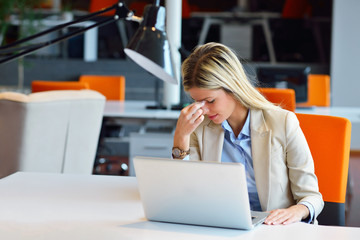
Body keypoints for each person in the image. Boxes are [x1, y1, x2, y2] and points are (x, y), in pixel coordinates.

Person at [172, 42, 324, 225]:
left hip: (275, 230)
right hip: (221, 227)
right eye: (197, 102)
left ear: (232, 87)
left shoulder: (283, 123)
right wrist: (181, 137)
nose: (203, 110)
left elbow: (312, 197)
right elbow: (186, 191)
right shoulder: (199, 127)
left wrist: (297, 211)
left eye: (210, 100)